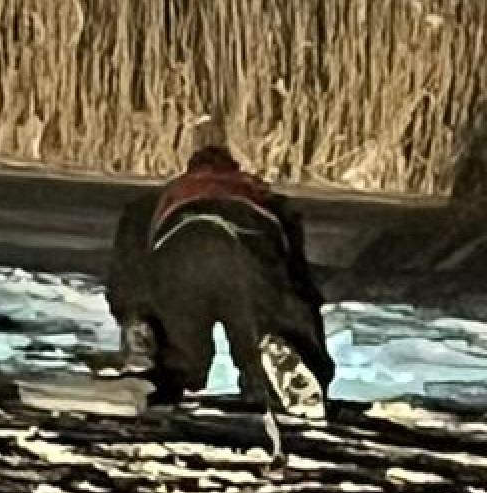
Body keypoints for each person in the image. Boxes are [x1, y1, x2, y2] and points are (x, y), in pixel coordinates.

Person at [102, 136, 333, 418]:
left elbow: (128, 266)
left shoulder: (160, 198)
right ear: (233, 169)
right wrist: (299, 326)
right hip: (246, 249)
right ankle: (281, 362)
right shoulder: (263, 197)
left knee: (180, 359)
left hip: (178, 248)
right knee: (266, 332)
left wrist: (135, 313)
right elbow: (296, 278)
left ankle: (153, 367)